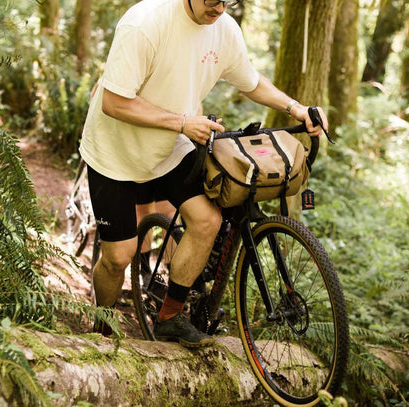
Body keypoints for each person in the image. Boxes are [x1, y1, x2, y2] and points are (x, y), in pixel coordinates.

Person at [80, 0, 328, 347]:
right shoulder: (145, 24)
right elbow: (114, 102)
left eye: (228, 0)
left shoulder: (224, 29)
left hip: (169, 148)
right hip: (115, 153)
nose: (220, 8)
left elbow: (250, 81)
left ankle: (169, 317)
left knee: (207, 221)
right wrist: (183, 122)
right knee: (118, 258)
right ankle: (101, 331)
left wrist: (296, 108)